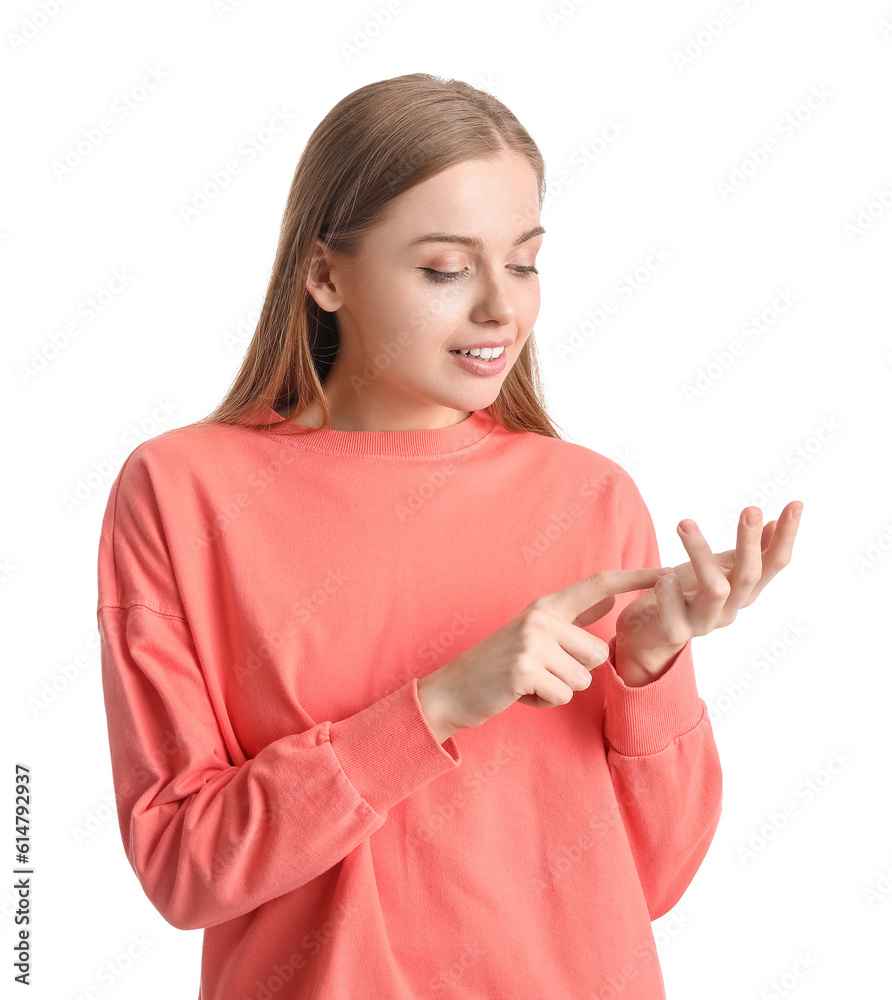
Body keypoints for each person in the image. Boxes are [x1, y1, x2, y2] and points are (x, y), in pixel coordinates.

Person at [95, 73, 803, 999]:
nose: (501, 311)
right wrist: (434, 706)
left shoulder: (585, 496)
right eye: (445, 268)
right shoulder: (184, 491)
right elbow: (185, 867)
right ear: (324, 275)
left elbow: (652, 883)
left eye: (524, 262)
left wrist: (646, 671)